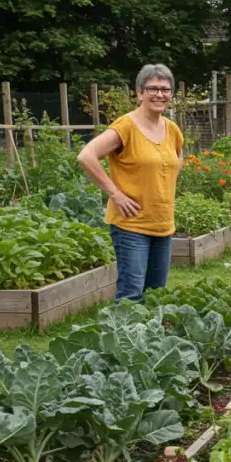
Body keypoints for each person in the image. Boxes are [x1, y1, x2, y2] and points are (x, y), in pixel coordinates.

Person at [77, 64, 183, 302]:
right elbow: (86, 155)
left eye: (165, 89)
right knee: (131, 296)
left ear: (171, 95)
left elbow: (177, 158)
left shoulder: (172, 129)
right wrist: (115, 194)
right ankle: (123, 339)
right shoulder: (126, 126)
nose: (159, 94)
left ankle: (148, 340)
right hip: (131, 225)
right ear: (139, 93)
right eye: (152, 88)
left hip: (163, 224)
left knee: (156, 295)